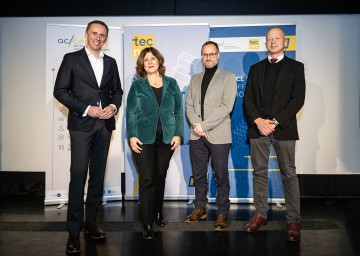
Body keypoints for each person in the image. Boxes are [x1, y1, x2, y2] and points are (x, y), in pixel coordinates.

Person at [53, 20, 123, 254]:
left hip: (104, 126)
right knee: (79, 174)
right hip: (82, 125)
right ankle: (73, 232)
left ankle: (90, 222)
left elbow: (118, 91)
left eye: (102, 35)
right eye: (94, 33)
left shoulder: (111, 63)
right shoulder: (71, 59)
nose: (98, 38)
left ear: (105, 38)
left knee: (97, 177)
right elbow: (60, 91)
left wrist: (112, 107)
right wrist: (86, 108)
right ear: (86, 35)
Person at [243, 26, 306, 242]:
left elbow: (298, 99)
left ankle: (293, 220)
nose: (273, 42)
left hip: (284, 129)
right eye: (269, 39)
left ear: (285, 42)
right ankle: (261, 214)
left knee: (289, 174)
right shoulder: (255, 68)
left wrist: (275, 121)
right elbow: (248, 99)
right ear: (265, 43)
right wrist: (259, 121)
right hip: (258, 128)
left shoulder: (296, 68)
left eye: (277, 38)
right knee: (259, 173)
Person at [126, 47, 184, 240]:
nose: (150, 62)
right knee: (148, 178)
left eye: (153, 58)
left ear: (159, 61)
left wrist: (178, 133)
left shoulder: (172, 83)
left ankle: (158, 212)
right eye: (146, 60)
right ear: (142, 64)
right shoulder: (137, 86)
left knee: (160, 177)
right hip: (143, 139)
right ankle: (147, 222)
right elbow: (131, 112)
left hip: (166, 139)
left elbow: (178, 110)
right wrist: (132, 135)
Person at [184, 41, 237, 231]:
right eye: (205, 54)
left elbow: (226, 106)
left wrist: (203, 125)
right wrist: (197, 127)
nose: (208, 57)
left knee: (221, 175)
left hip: (219, 134)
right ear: (201, 56)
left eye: (212, 54)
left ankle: (222, 213)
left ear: (218, 55)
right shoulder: (194, 79)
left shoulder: (228, 78)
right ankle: (200, 208)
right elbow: (188, 105)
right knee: (199, 175)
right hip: (197, 136)